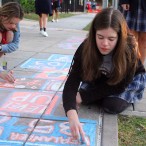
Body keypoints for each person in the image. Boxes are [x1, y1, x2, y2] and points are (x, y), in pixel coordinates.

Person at [62, 8, 146, 142]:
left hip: (127, 80)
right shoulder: (86, 47)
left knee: (112, 105)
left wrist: (84, 95)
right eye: (100, 37)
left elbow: (119, 86)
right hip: (102, 77)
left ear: (120, 37)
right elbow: (71, 83)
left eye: (111, 38)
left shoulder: (129, 48)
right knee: (79, 98)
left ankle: (111, 95)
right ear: (94, 33)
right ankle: (97, 92)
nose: (105, 43)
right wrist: (71, 113)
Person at [0, 2, 24, 83]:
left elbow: (15, 45)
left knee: (10, 34)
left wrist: (1, 47)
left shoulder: (14, 24)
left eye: (16, 23)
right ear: (2, 17)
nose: (14, 26)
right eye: (11, 23)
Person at [119, 0, 146, 64]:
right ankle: (129, 66)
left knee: (144, 41)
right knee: (130, 40)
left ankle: (140, 68)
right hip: (131, 5)